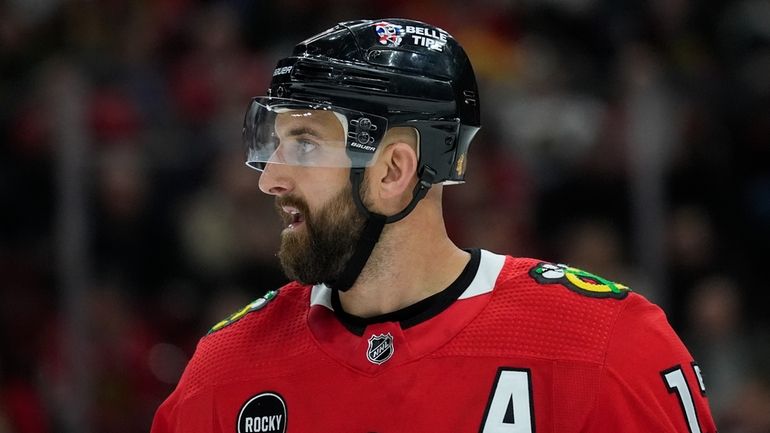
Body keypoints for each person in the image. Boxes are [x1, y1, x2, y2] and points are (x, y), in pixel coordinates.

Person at [151, 18, 717, 433]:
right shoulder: (223, 374)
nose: (269, 179)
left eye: (303, 144)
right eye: (273, 144)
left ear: (395, 170)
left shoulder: (605, 350)